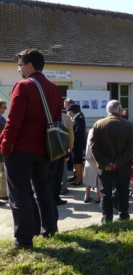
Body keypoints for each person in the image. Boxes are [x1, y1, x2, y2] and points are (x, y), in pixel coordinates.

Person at [0, 49, 61, 248]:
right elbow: (58, 120)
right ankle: (50, 229)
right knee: (43, 190)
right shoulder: (54, 88)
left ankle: (24, 239)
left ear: (30, 65)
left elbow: (13, 122)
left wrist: (5, 146)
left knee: (19, 193)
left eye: (20, 65)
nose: (18, 69)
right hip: (45, 149)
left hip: (21, 149)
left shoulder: (23, 86)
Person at [90, 100, 133, 224]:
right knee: (123, 192)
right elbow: (132, 146)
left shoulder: (98, 124)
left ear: (107, 111)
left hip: (105, 167)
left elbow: (94, 147)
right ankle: (124, 216)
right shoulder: (127, 125)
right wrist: (118, 162)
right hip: (123, 166)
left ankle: (107, 219)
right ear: (120, 110)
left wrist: (106, 163)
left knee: (105, 193)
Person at [67, 103, 86, 187]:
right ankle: (77, 178)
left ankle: (79, 179)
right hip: (75, 144)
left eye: (69, 111)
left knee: (78, 162)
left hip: (78, 144)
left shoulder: (79, 118)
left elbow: (78, 132)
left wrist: (69, 134)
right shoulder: (75, 118)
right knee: (76, 162)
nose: (69, 113)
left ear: (72, 111)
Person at [82, 128, 101, 203]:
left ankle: (87, 196)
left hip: (89, 156)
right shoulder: (102, 130)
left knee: (88, 176)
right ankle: (98, 197)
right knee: (98, 177)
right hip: (97, 157)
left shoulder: (91, 131)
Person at [0, 99, 8, 203]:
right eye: (4, 107)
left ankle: (3, 193)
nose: (6, 109)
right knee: (2, 173)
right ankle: (2, 194)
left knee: (3, 172)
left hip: (2, 150)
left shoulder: (2, 118)